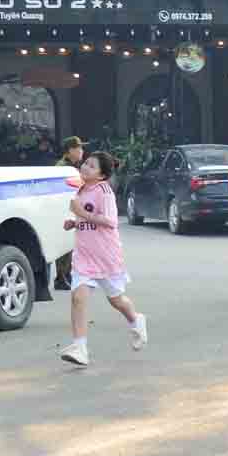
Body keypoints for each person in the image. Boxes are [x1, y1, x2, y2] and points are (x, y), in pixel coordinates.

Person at [58, 151, 147, 367]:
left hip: (105, 256)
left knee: (116, 300)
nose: (86, 167)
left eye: (92, 166)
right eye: (86, 163)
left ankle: (136, 320)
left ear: (101, 175)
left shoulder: (104, 191)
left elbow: (110, 221)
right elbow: (84, 216)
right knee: (77, 298)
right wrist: (74, 222)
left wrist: (81, 213)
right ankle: (80, 348)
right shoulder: (81, 188)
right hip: (83, 256)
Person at [52, 136, 86, 291]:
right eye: (78, 148)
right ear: (70, 150)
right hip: (64, 210)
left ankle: (67, 275)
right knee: (64, 244)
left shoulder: (73, 166)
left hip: (72, 208)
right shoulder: (63, 167)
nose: (81, 151)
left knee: (72, 244)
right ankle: (60, 277)